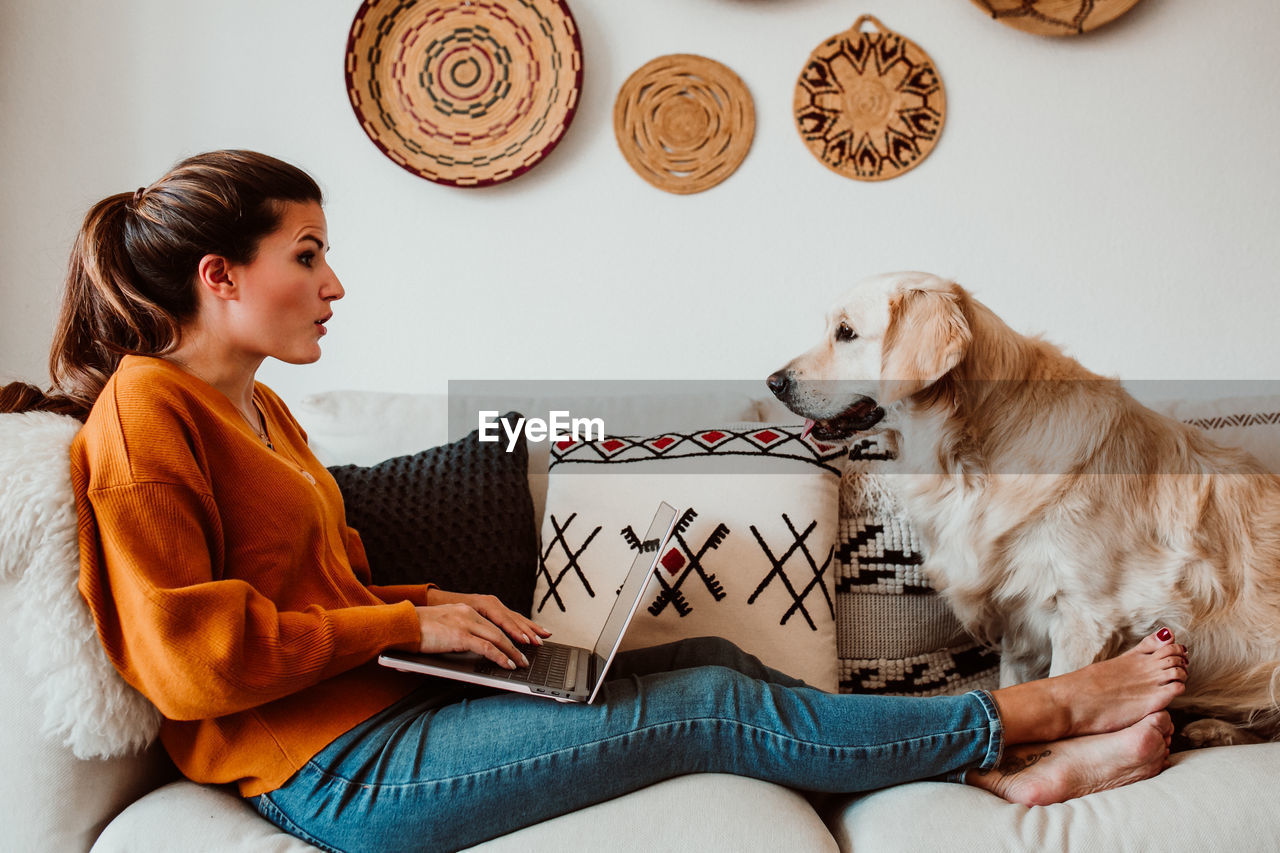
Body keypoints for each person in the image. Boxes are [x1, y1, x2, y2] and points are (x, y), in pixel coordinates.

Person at [1, 150, 1190, 853]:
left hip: (382, 705)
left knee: (709, 645)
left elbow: (327, 586)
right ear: (222, 277)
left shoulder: (259, 411)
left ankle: (976, 774)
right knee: (711, 704)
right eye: (305, 254)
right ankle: (1031, 717)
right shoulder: (146, 419)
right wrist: (408, 625)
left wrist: (443, 604)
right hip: (333, 771)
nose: (333, 283)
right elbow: (189, 665)